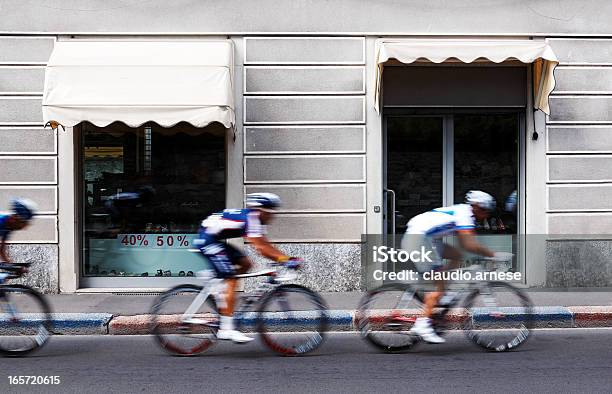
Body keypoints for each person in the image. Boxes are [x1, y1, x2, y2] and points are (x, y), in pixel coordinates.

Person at [401, 190, 512, 344]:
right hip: (419, 238)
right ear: (477, 206)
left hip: (427, 237)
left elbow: (463, 246)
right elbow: (469, 244)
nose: (486, 215)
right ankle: (422, 325)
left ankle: (440, 290)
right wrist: (494, 255)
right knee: (437, 286)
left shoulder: (465, 213)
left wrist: (483, 253)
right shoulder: (464, 214)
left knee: (456, 255)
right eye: (485, 211)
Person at [194, 193, 300, 343]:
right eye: (271, 213)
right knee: (231, 278)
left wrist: (285, 258)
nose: (273, 217)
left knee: (246, 264)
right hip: (206, 240)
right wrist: (285, 260)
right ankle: (226, 329)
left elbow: (266, 245)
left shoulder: (256, 221)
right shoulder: (251, 219)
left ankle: (220, 284)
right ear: (260, 210)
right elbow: (262, 249)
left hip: (213, 238)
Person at [0, 198, 38, 269]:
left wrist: (12, 267)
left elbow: (1, 250)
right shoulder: (1, 223)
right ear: (16, 218)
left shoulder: (8, 227)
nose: (24, 228)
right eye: (23, 223)